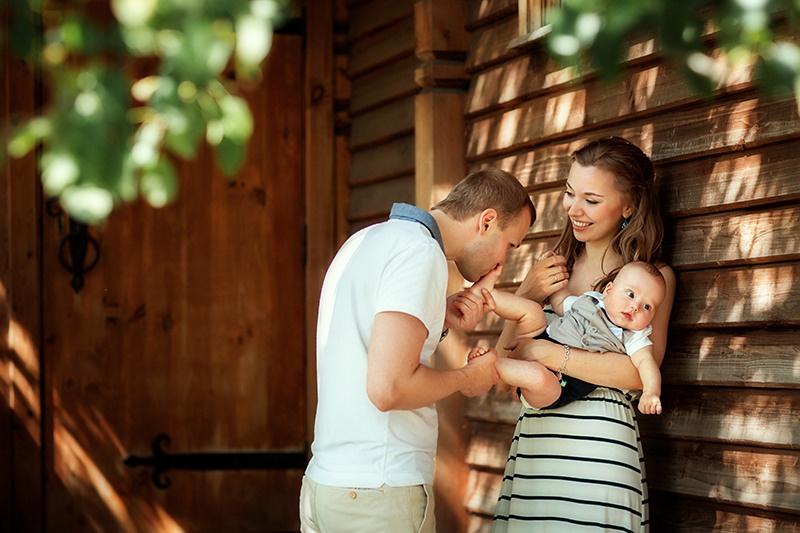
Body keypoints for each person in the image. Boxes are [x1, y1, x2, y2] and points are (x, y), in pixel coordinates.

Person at [299, 167, 535, 533]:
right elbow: (389, 388)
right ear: (486, 221)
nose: (502, 263)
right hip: (379, 495)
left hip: (325, 487)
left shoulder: (366, 240)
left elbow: (367, 343)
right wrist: (468, 377)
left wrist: (439, 315)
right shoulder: (420, 252)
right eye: (510, 245)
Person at [491, 137, 676, 532]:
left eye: (591, 200)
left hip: (598, 449)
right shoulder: (552, 270)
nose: (574, 209)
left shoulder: (651, 282)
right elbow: (502, 365)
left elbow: (638, 373)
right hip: (535, 445)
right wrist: (527, 293)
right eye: (569, 193)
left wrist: (546, 355)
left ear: (629, 206)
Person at [466, 261, 667, 415]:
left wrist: (651, 391)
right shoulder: (590, 301)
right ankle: (485, 295)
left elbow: (646, 364)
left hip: (559, 385)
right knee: (531, 311)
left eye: (647, 306)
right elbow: (561, 301)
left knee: (538, 376)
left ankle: (488, 365)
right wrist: (554, 277)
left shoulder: (634, 336)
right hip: (543, 337)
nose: (635, 307)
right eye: (630, 294)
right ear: (608, 290)